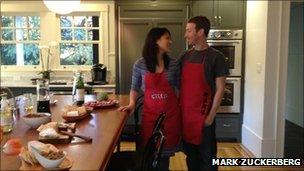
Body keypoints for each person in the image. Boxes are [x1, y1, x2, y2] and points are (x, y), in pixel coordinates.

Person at [119, 27, 181, 170]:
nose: (170, 41)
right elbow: (134, 88)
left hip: (170, 116)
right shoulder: (140, 64)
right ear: (156, 41)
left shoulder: (174, 64)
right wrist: (131, 104)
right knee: (147, 153)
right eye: (167, 38)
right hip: (150, 116)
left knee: (164, 156)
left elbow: (179, 88)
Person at [179, 16, 229, 171]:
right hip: (187, 117)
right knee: (191, 157)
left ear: (200, 32)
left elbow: (220, 88)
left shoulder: (216, 57)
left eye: (188, 30)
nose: (185, 34)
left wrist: (211, 117)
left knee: (208, 159)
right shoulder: (184, 56)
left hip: (204, 118)